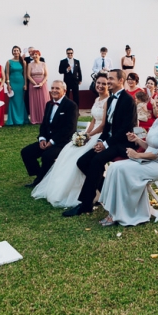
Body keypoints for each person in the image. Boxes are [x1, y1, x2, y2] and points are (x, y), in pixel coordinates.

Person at [98, 90, 158, 227]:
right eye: (157, 98)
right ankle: (114, 211)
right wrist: (137, 140)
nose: (156, 101)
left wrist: (137, 155)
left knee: (122, 170)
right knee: (114, 167)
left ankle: (121, 213)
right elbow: (150, 146)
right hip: (149, 160)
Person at [63, 70, 137, 217]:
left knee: (96, 161)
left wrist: (106, 144)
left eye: (111, 79)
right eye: (108, 78)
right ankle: (107, 189)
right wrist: (100, 141)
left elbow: (125, 129)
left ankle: (85, 204)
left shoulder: (128, 100)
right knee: (82, 161)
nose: (108, 81)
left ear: (120, 81)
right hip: (109, 141)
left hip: (122, 143)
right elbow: (107, 127)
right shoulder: (110, 100)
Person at [32, 74, 109, 208]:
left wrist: (89, 135)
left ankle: (88, 190)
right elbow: (93, 121)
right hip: (91, 133)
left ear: (109, 85)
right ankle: (60, 187)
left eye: (104, 83)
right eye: (98, 83)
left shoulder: (108, 100)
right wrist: (84, 134)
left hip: (100, 135)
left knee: (78, 158)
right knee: (68, 151)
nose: (100, 86)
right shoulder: (97, 99)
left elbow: (103, 124)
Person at [21, 80, 78, 187]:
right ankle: (40, 176)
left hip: (62, 142)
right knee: (26, 152)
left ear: (64, 91)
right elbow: (44, 125)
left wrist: (52, 141)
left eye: (57, 88)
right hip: (47, 140)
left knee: (47, 156)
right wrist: (42, 138)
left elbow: (70, 128)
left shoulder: (71, 105)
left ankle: (40, 181)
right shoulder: (49, 104)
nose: (54, 90)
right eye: (52, 88)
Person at [5, 46, 29, 126]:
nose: (16, 52)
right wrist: (8, 84)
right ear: (12, 52)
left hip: (20, 83)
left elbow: (25, 74)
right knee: (13, 100)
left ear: (19, 52)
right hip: (12, 82)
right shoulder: (9, 62)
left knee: (20, 101)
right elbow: (7, 73)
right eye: (14, 50)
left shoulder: (23, 62)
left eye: (17, 50)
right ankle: (12, 120)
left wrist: (25, 84)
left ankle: (21, 119)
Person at [27, 50, 49, 124]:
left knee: (44, 101)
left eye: (36, 54)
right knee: (34, 101)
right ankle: (35, 119)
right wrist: (35, 83)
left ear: (39, 55)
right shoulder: (30, 64)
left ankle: (44, 118)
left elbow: (46, 75)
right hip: (33, 84)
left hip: (43, 84)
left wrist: (41, 83)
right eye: (33, 55)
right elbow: (28, 75)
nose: (35, 56)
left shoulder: (43, 64)